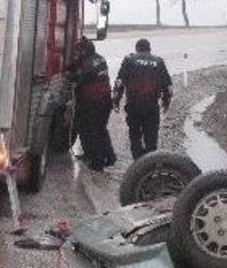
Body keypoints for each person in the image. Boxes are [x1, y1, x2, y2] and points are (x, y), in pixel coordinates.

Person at [112, 38, 172, 160]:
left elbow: (119, 83)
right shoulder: (159, 62)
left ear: (137, 49)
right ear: (149, 49)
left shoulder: (129, 60)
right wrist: (166, 102)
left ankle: (138, 163)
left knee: (135, 135)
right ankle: (150, 164)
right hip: (151, 105)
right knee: (151, 136)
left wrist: (116, 101)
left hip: (134, 105)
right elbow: (168, 86)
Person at [67, 39, 116, 171]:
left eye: (79, 51)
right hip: (105, 100)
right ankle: (110, 157)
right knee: (100, 129)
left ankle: (96, 162)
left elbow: (77, 79)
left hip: (93, 102)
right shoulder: (100, 59)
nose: (77, 53)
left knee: (87, 131)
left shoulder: (86, 64)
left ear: (84, 51)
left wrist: (68, 75)